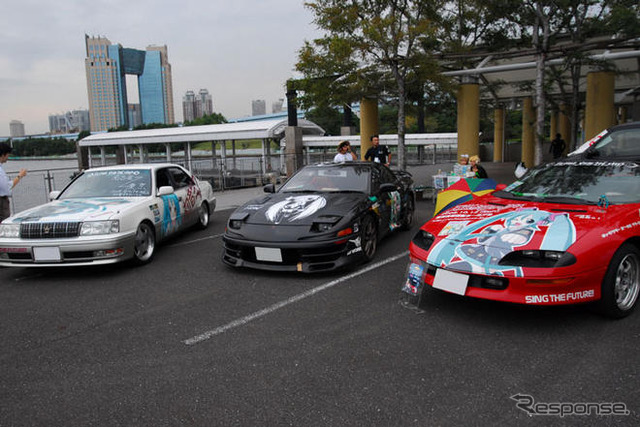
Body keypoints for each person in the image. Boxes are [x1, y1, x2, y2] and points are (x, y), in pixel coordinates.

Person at [0, 143, 27, 222]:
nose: (8, 157)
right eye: (8, 154)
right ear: (3, 155)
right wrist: (20, 176)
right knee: (4, 223)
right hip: (1, 202)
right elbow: (6, 187)